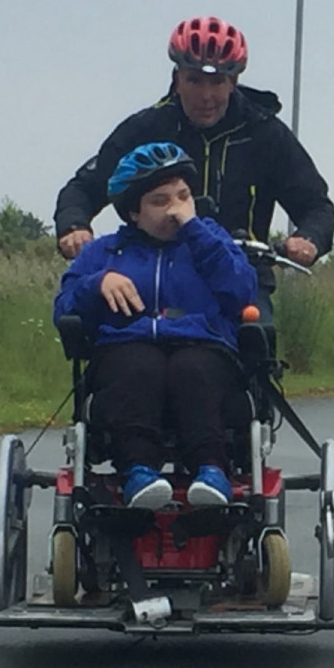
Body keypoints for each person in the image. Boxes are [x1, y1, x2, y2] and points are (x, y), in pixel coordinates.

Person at [53, 16, 334, 323]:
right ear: (177, 79)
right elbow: (83, 188)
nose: (206, 96)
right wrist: (74, 226)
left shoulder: (265, 134)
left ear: (233, 82)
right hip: (154, 271)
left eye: (217, 82)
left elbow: (316, 206)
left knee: (257, 344)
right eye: (195, 80)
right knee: (106, 340)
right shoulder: (147, 128)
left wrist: (309, 238)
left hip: (238, 279)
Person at [53, 143, 258, 509]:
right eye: (160, 201)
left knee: (191, 368)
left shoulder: (212, 241)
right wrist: (97, 283)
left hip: (202, 346)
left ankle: (211, 470)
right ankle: (138, 472)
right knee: (138, 366)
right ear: (134, 211)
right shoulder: (105, 252)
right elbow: (64, 306)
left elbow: (241, 289)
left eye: (183, 197)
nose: (175, 209)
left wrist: (196, 231)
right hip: (126, 347)